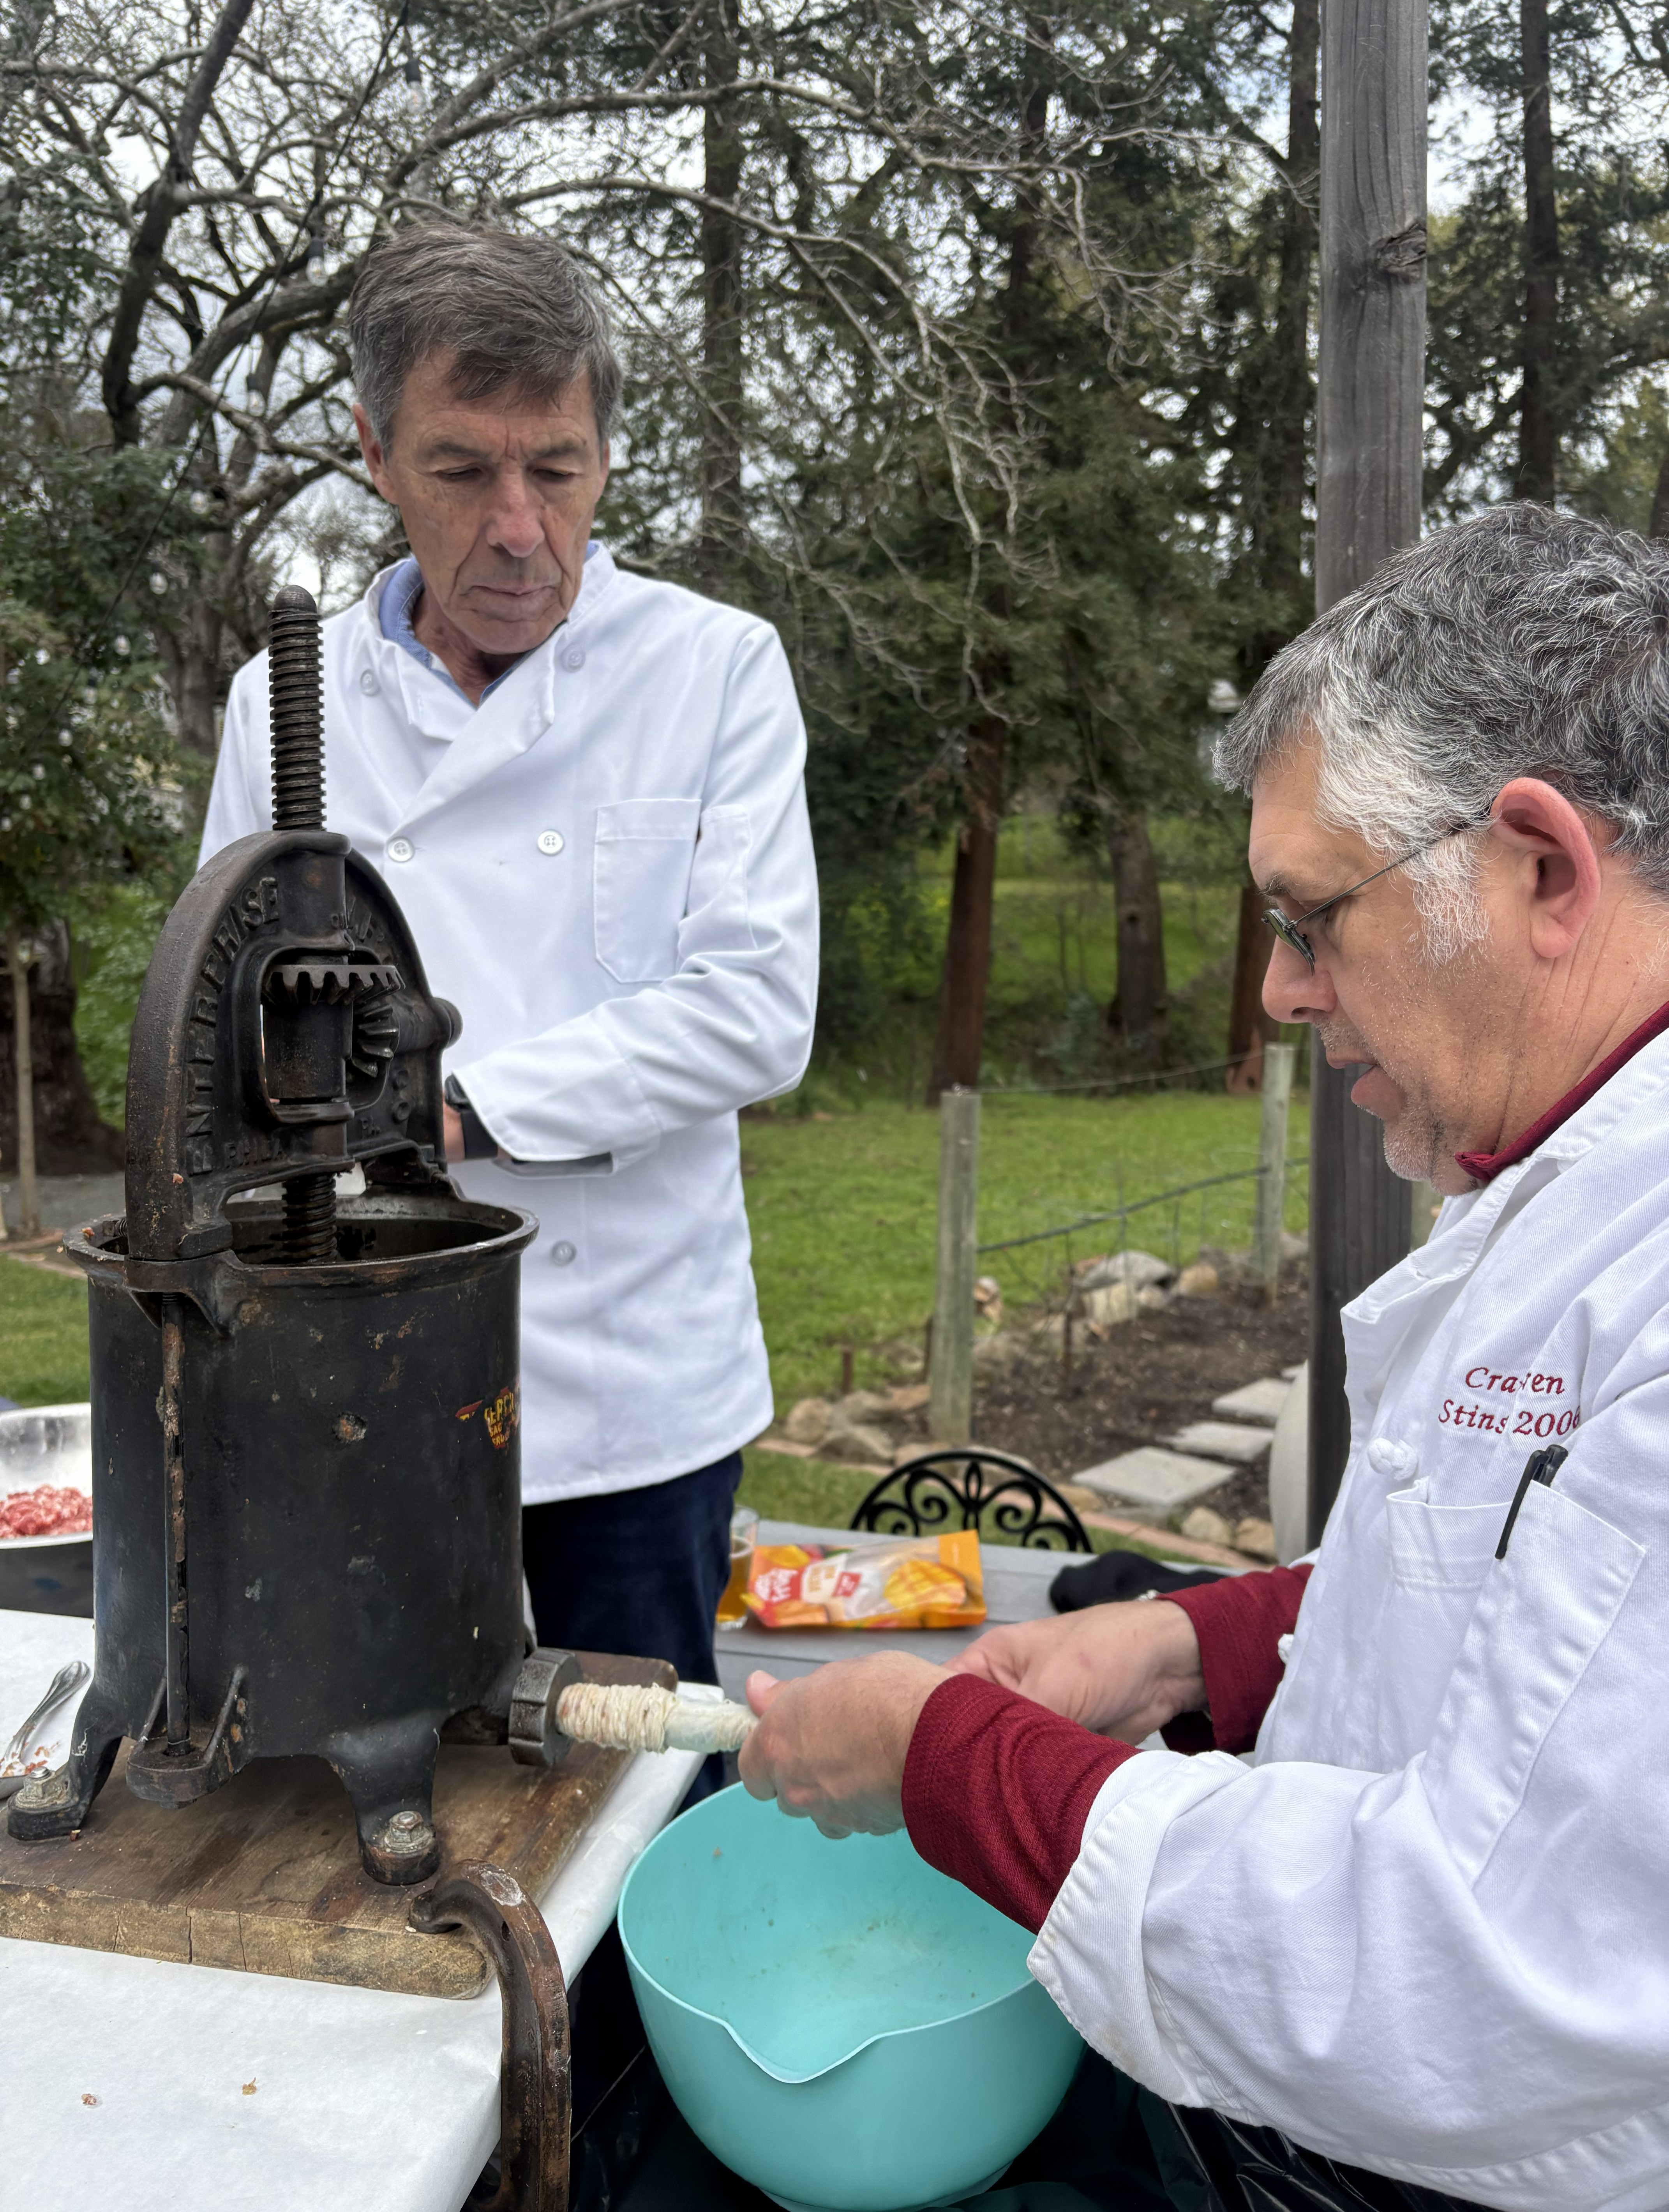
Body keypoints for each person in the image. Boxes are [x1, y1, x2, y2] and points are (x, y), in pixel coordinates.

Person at [739, 505, 1669, 2212]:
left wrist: (945, 1763)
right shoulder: (1575, 1171)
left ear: (1541, 869)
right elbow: (1487, 1593)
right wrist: (1179, 1647)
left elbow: (1474, 1969)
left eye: (1313, 921)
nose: (1283, 993)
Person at [200, 225, 817, 1708]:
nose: (521, 527)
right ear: (373, 454)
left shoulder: (713, 668)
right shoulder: (281, 702)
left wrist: (443, 1110)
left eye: (557, 466)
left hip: (630, 1384)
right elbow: (227, 1007)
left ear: (605, 447)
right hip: (362, 1360)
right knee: (383, 1755)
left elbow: (754, 1010)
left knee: (634, 1783)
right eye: (463, 470)